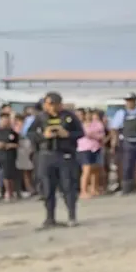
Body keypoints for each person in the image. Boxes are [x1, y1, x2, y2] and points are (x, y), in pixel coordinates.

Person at [27, 92, 83, 228]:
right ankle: (50, 218)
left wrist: (67, 134)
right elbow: (29, 133)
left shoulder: (69, 117)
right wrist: (43, 135)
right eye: (47, 104)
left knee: (68, 186)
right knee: (47, 187)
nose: (49, 107)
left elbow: (81, 133)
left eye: (52, 104)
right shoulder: (40, 118)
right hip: (46, 155)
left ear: (59, 104)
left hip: (65, 155)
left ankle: (72, 216)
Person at [77, 109, 106, 199]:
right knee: (87, 169)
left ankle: (94, 188)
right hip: (84, 148)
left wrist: (93, 135)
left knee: (96, 169)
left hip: (96, 147)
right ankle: (83, 190)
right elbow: (85, 134)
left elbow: (101, 134)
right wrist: (93, 135)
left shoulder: (97, 123)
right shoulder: (79, 125)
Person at [0, 112, 19, 201]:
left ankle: (11, 192)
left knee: (10, 175)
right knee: (1, 175)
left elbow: (17, 144)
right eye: (4, 119)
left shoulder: (12, 132)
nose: (5, 121)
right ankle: (4, 192)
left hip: (10, 155)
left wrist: (8, 145)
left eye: (7, 120)